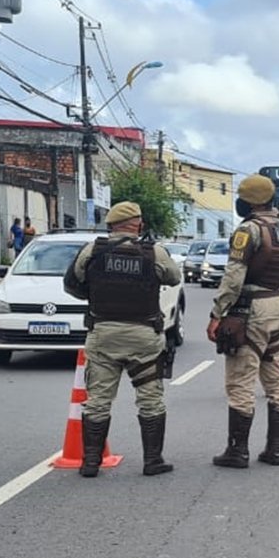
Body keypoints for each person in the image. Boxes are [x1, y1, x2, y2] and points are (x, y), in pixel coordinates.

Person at [63, 201, 181, 477]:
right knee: (150, 399)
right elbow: (174, 278)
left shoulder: (93, 250)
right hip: (143, 336)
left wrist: (95, 297)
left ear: (111, 225)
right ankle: (153, 461)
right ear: (138, 224)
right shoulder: (154, 252)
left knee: (98, 399)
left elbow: (71, 284)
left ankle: (91, 462)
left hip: (104, 333)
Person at [207, 174, 279, 468]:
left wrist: (217, 314)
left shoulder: (248, 230)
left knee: (240, 380)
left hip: (251, 309)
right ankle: (275, 451)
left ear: (245, 202)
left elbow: (233, 276)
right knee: (275, 376)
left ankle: (237, 451)